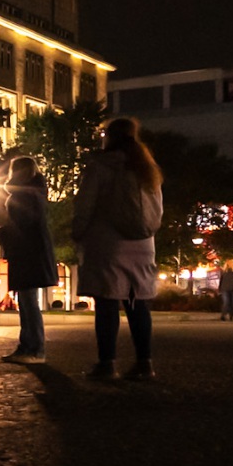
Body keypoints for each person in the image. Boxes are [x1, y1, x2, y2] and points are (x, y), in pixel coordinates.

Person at [72, 117, 164, 381]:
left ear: (109, 137)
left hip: (108, 242)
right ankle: (145, 363)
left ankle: (107, 363)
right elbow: (156, 209)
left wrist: (78, 232)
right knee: (137, 304)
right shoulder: (147, 168)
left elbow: (85, 204)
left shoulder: (101, 166)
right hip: (143, 244)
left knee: (107, 302)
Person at [0, 156, 57, 364]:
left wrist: (4, 234)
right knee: (27, 300)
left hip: (27, 252)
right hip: (31, 251)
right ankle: (28, 347)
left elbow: (24, 224)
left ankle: (34, 349)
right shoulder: (35, 192)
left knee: (28, 301)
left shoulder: (24, 195)